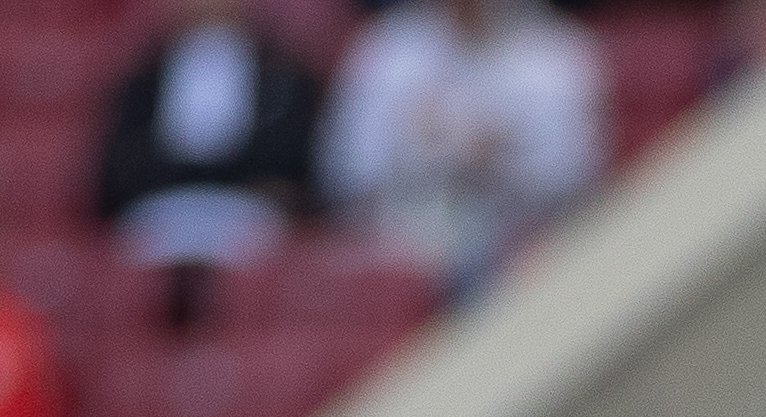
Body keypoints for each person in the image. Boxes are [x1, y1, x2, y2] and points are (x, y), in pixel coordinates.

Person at [322, 0, 603, 296]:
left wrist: (499, 156)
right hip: (409, 234)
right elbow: (349, 171)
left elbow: (574, 175)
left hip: (520, 235)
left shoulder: (552, 50)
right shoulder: (390, 46)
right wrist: (425, 151)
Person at [91, 1, 324, 271]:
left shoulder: (284, 74)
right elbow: (117, 166)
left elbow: (294, 159)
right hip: (159, 209)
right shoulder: (144, 77)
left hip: (250, 211)